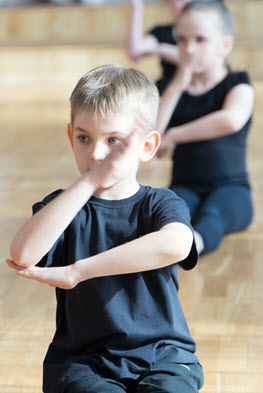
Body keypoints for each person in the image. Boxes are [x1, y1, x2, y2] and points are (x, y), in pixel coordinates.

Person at [6, 64, 204, 393]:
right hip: (83, 364)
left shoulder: (161, 204)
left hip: (165, 357)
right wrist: (88, 181)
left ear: (147, 146)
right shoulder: (62, 207)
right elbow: (23, 254)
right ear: (71, 137)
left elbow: (177, 244)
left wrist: (78, 271)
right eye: (84, 138)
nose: (97, 153)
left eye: (113, 140)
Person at [156, 0, 254, 255]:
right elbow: (153, 141)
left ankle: (192, 247)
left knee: (214, 214)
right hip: (184, 186)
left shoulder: (237, 85)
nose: (189, 49)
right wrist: (177, 86)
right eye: (182, 40)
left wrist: (176, 134)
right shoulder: (168, 90)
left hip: (231, 189)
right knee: (168, 216)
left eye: (200, 40)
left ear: (225, 45)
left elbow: (231, 119)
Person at [128, 0, 190, 93]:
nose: (179, 4)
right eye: (176, 1)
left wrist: (161, 48)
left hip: (194, 90)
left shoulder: (204, 32)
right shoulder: (161, 31)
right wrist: (137, 8)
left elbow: (192, 60)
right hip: (166, 89)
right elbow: (135, 51)